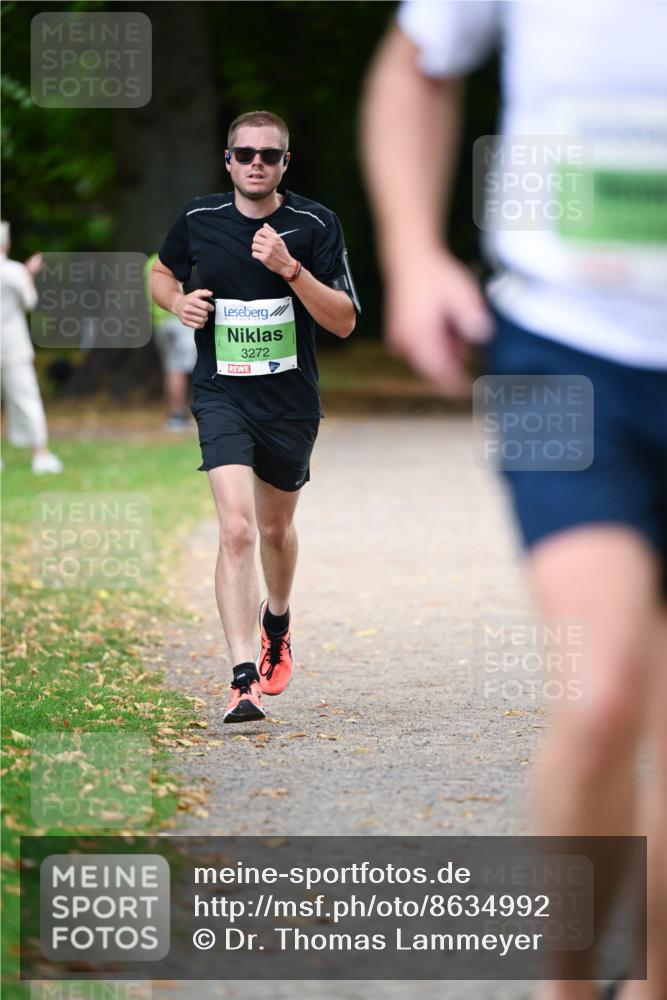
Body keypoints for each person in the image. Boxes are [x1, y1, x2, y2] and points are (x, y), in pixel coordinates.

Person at [362, 4, 666, 1000]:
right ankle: (567, 978)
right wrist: (412, 257)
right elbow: (415, 69)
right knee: (603, 689)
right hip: (556, 346)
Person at [151, 110, 359, 724]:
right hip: (222, 394)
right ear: (228, 160)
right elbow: (163, 274)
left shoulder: (315, 224)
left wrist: (289, 269)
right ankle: (242, 678)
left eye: (269, 154)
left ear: (285, 163)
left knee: (274, 531)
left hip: (290, 404)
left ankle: (278, 619)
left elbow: (344, 321)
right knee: (237, 529)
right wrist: (178, 301)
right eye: (244, 153)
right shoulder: (198, 219)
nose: (256, 163)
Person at [0, 221, 63, 474]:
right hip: (12, 344)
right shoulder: (14, 270)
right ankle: (41, 454)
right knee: (27, 398)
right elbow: (30, 300)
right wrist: (29, 273)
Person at [144, 252, 197, 432]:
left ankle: (177, 414)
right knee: (187, 367)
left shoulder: (150, 262)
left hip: (159, 322)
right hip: (179, 319)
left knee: (172, 367)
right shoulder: (175, 258)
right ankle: (187, 414)